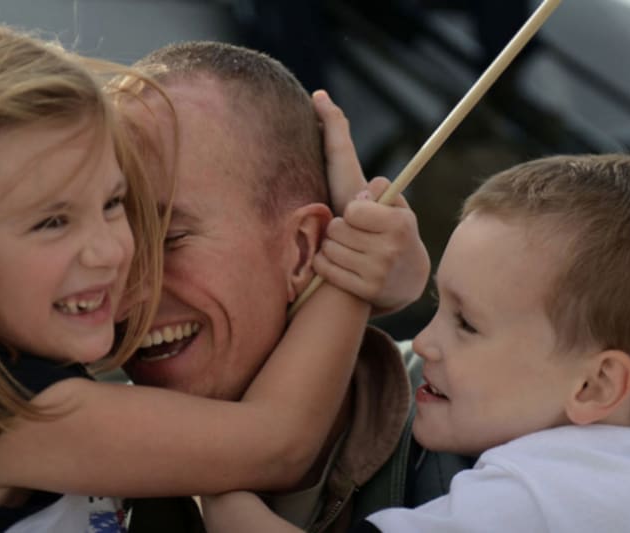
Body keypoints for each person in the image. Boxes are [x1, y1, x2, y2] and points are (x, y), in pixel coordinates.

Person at [0, 15, 391, 532]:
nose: (114, 253)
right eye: (52, 222)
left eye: (112, 203)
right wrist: (353, 259)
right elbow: (278, 444)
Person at [199, 153, 630, 533]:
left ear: (595, 385)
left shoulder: (537, 492)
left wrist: (219, 483)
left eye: (467, 324)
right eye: (437, 305)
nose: (422, 342)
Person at [115, 41, 444, 533]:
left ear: (303, 248)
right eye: (110, 248)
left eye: (170, 240)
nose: (125, 299)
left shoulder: (485, 438)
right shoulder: (63, 470)